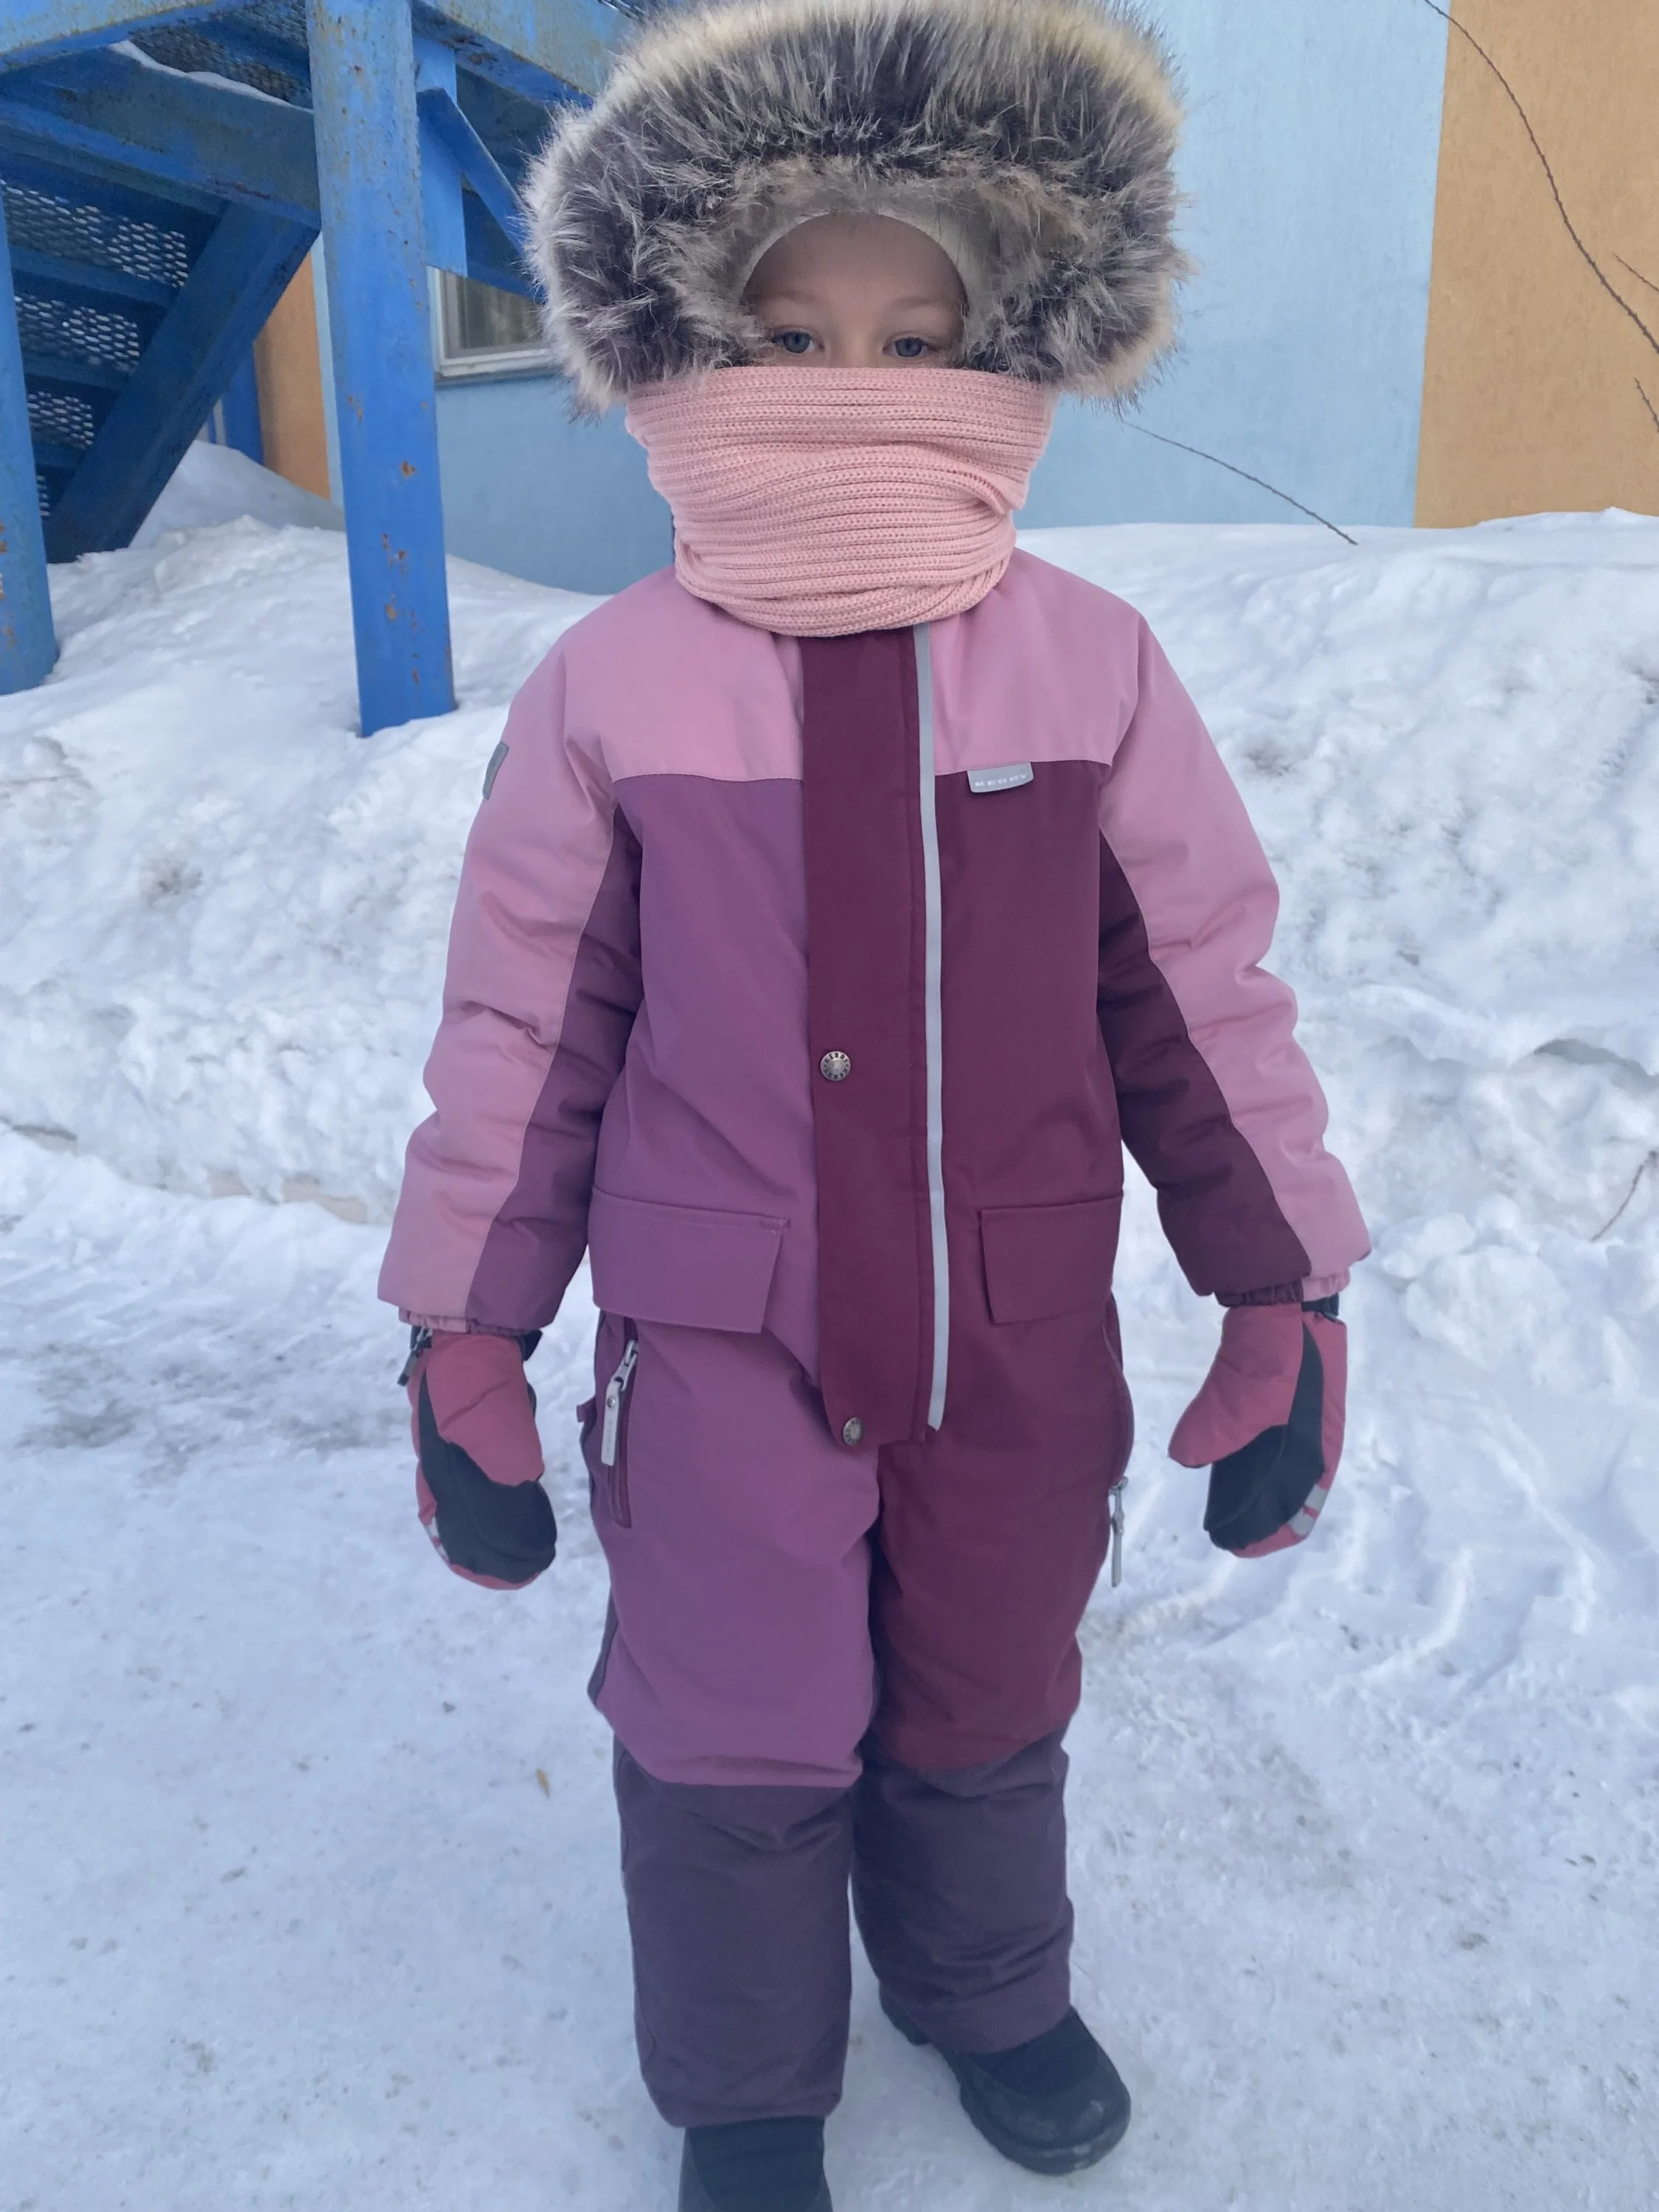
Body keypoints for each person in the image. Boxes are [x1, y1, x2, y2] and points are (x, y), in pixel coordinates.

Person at [379, 4, 1369, 2208]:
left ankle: (986, 1988)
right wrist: (465, 1328)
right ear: (687, 347)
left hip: (1016, 1326)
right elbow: (523, 1032)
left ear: (1004, 348)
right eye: (792, 336)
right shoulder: (616, 686)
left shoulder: (1090, 667)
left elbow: (1200, 998)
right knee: (732, 1714)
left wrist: (1283, 1292)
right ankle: (749, 2084)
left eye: (916, 340)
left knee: (990, 1683)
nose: (855, 390)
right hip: (718, 1332)